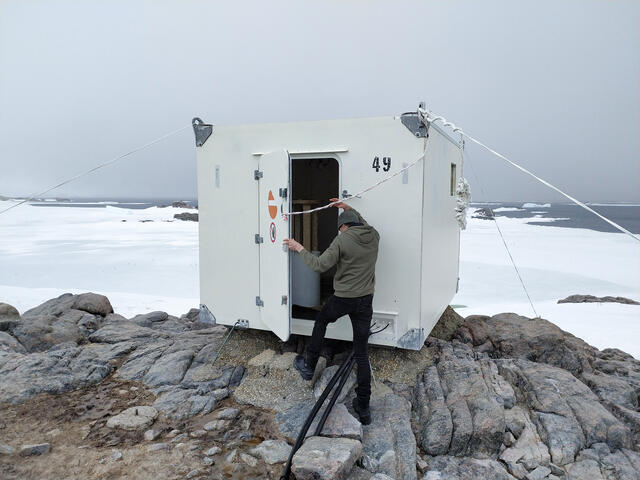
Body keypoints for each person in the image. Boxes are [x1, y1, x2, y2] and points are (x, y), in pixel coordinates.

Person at [283, 198, 379, 425]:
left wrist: (299, 248)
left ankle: (309, 366)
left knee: (321, 321)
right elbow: (362, 222)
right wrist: (348, 208)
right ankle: (364, 408)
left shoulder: (342, 240)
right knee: (361, 353)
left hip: (343, 298)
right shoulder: (374, 235)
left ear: (343, 227)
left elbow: (319, 265)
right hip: (365, 300)